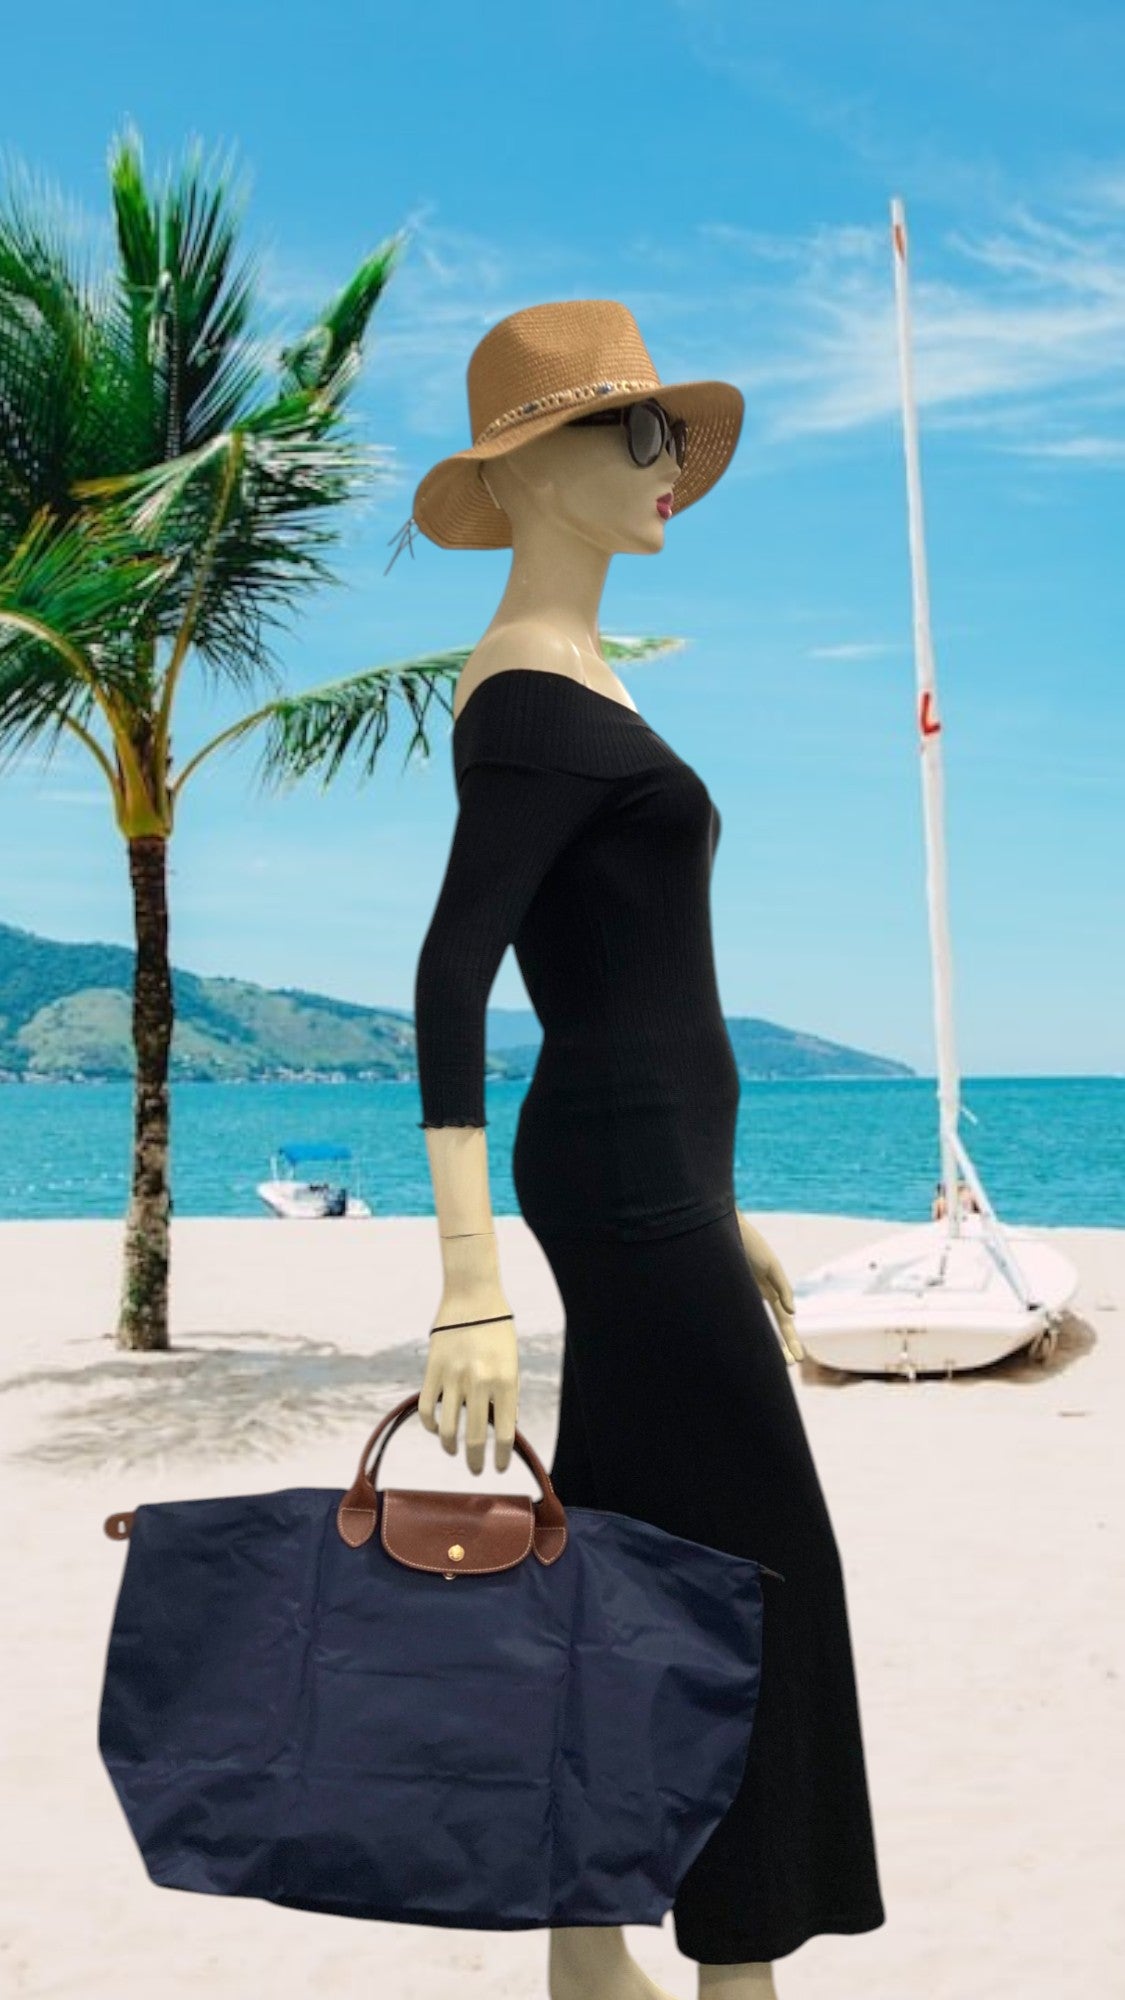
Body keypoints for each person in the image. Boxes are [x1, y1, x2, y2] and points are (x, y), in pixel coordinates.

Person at [408, 301, 885, 2000]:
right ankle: (734, 1972)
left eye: (671, 432)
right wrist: (468, 1283)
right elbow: (451, 976)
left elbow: (636, 974)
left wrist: (721, 1202)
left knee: (625, 1563)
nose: (666, 459)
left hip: (658, 1183)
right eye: (634, 430)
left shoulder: (577, 676)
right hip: (620, 1187)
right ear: (528, 465)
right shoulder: (527, 691)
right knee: (764, 1576)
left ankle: (586, 1943)